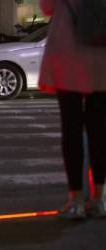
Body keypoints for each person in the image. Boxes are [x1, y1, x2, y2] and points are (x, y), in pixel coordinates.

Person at [39, 0, 106, 219]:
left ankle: (76, 199)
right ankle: (100, 198)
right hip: (101, 56)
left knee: (72, 129)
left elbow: (47, 8)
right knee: (99, 131)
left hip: (67, 58)